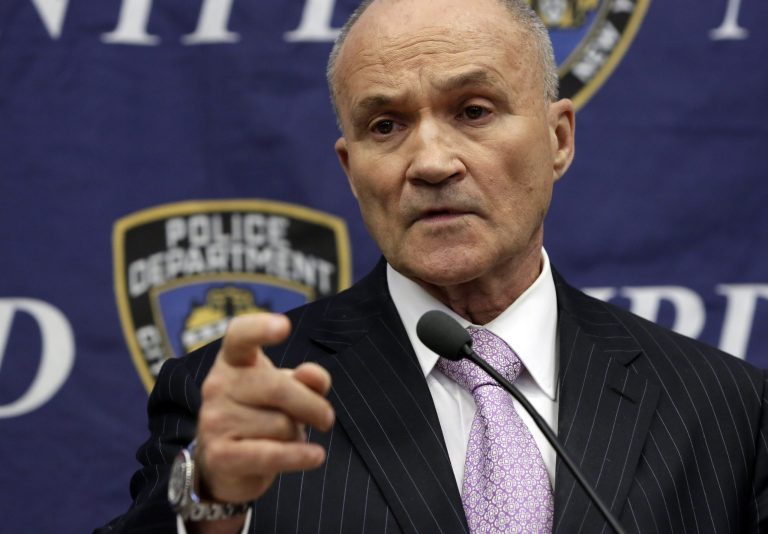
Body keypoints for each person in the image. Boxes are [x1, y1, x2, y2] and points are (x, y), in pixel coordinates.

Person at [97, 0, 768, 532]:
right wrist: (209, 503)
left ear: (559, 138)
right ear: (351, 168)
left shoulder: (723, 407)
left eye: (473, 111)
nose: (431, 162)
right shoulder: (242, 396)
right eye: (385, 126)